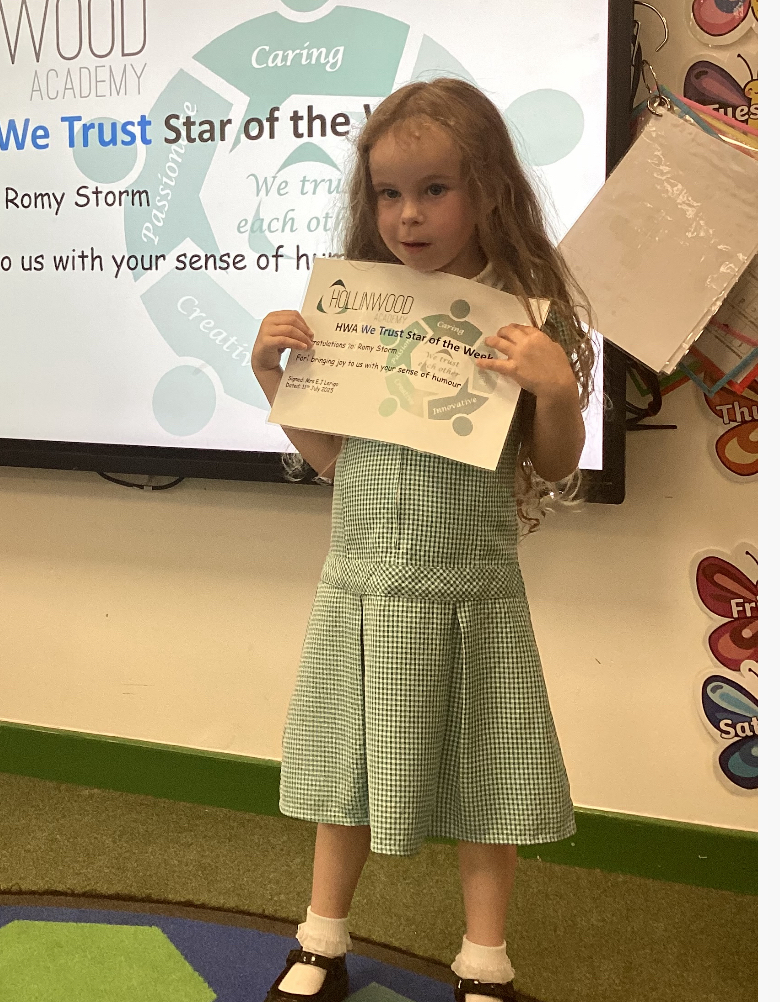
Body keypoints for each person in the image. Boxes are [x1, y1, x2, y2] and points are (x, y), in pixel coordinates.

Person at [250, 80, 594, 1002]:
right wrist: (272, 377)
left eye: (435, 189)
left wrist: (557, 389)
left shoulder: (520, 317)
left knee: (489, 775)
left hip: (471, 588)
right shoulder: (357, 310)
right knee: (344, 770)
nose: (408, 214)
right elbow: (334, 460)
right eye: (389, 193)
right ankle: (321, 939)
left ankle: (485, 960)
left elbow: (553, 463)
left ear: (490, 189)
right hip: (362, 582)